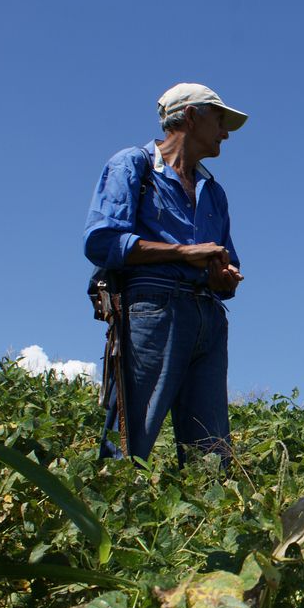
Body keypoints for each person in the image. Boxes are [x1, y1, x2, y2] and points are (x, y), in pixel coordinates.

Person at [84, 82, 247, 466]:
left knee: (211, 450)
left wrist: (223, 278)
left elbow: (224, 262)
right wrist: (184, 253)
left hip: (207, 316)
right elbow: (102, 241)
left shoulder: (214, 191)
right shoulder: (132, 165)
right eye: (219, 120)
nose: (225, 132)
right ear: (190, 116)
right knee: (129, 437)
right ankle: (112, 513)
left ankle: (207, 519)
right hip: (151, 311)